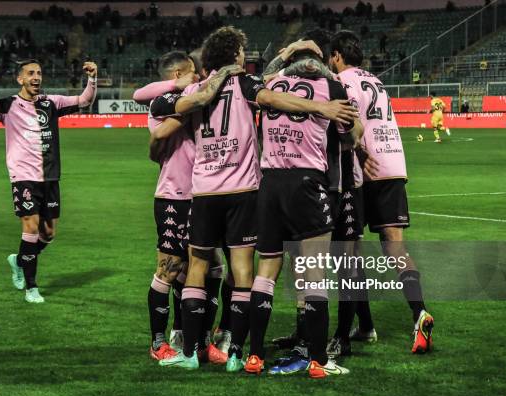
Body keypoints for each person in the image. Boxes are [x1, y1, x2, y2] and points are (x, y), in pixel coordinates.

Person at [151, 26, 360, 371]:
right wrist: (320, 106)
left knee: (198, 268)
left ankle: (190, 353)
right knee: (243, 271)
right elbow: (272, 96)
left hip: (203, 191)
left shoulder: (193, 90)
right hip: (243, 189)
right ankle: (237, 352)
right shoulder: (247, 85)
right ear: (235, 57)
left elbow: (160, 111)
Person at [245, 44, 362, 378]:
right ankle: (317, 360)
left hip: (268, 182)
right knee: (314, 271)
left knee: (266, 270)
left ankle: (255, 356)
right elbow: (350, 137)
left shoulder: (272, 85)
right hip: (307, 182)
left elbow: (261, 82)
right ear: (320, 64)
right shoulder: (330, 87)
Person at [330, 31, 434, 354]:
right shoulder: (376, 81)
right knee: (395, 248)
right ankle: (419, 313)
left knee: (349, 251)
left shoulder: (342, 81)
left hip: (365, 167)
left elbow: (347, 124)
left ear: (336, 56)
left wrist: (359, 153)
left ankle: (356, 329)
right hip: (394, 164)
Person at [0, 59, 97, 303]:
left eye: (39, 72)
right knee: (30, 228)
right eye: (30, 73)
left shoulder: (52, 103)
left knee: (48, 234)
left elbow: (84, 100)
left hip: (50, 176)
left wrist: (92, 78)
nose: (36, 77)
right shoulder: (8, 106)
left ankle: (19, 261)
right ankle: (31, 287)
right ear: (20, 79)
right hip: (24, 177)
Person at [134, 51, 228, 362]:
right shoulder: (160, 105)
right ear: (177, 75)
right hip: (174, 196)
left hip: (204, 194)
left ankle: (199, 338)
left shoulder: (194, 98)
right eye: (192, 73)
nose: (199, 78)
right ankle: (158, 343)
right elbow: (153, 117)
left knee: (211, 267)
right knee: (170, 268)